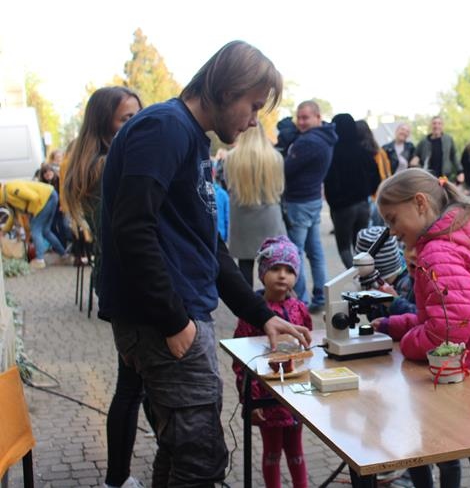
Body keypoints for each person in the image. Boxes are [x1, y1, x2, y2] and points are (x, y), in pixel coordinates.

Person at [98, 40, 311, 487]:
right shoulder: (165, 128)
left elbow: (208, 245)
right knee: (201, 459)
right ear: (227, 90)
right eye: (253, 106)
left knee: (181, 451)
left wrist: (261, 314)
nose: (253, 120)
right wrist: (174, 320)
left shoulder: (188, 136)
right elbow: (132, 228)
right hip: (166, 322)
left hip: (177, 316)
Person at [373, 168, 470, 488]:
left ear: (420, 203)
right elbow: (442, 316)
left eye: (392, 219)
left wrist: (409, 343)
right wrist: (394, 326)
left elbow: (448, 331)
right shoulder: (458, 236)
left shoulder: (438, 250)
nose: (391, 231)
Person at [61, 86, 147, 488]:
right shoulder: (109, 165)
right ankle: (117, 479)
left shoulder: (96, 162)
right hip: (129, 285)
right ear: (104, 124)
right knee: (132, 385)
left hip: (119, 282)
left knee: (136, 383)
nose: (137, 124)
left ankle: (124, 476)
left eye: (139, 114)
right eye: (127, 118)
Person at [232, 235, 311, 488]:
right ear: (262, 272)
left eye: (289, 270)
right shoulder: (253, 314)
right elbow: (242, 361)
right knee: (272, 453)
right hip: (266, 400)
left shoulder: (300, 309)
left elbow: (308, 350)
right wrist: (250, 399)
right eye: (275, 268)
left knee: (297, 452)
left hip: (296, 397)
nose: (282, 275)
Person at [284, 100, 337, 310]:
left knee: (295, 253)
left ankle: (300, 301)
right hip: (313, 199)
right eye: (299, 117)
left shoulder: (308, 142)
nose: (301, 122)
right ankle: (321, 297)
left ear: (318, 117)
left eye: (305, 117)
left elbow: (286, 169)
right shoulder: (326, 137)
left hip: (299, 202)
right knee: (315, 252)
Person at [225, 124, 287, 286]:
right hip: (269, 217)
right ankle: (272, 298)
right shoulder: (275, 157)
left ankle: (246, 301)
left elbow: (228, 186)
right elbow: (279, 189)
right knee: (272, 263)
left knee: (244, 264)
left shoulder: (231, 158)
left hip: (242, 218)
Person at [323, 114, 379, 268]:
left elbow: (329, 181)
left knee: (344, 248)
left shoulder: (332, 153)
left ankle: (356, 276)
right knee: (361, 247)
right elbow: (376, 177)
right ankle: (366, 275)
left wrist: (335, 202)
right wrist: (367, 192)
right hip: (363, 204)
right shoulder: (363, 151)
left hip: (342, 208)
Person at [0, 179, 69, 269]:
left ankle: (40, 260)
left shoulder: (11, 189)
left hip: (46, 198)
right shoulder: (6, 198)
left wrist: (33, 213)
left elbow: (34, 197)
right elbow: (12, 216)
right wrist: (3, 231)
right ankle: (64, 255)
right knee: (46, 231)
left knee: (35, 229)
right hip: (49, 196)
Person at [355, 119, 391, 226]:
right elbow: (386, 174)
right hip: (378, 195)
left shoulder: (356, 153)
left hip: (363, 198)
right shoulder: (379, 152)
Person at [410, 116, 464, 183]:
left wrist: (460, 171)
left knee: (442, 190)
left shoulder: (448, 139)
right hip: (427, 177)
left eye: (439, 123)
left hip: (444, 177)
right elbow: (416, 155)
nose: (436, 126)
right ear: (431, 125)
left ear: (442, 126)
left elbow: (454, 156)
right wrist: (415, 159)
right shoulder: (424, 141)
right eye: (434, 123)